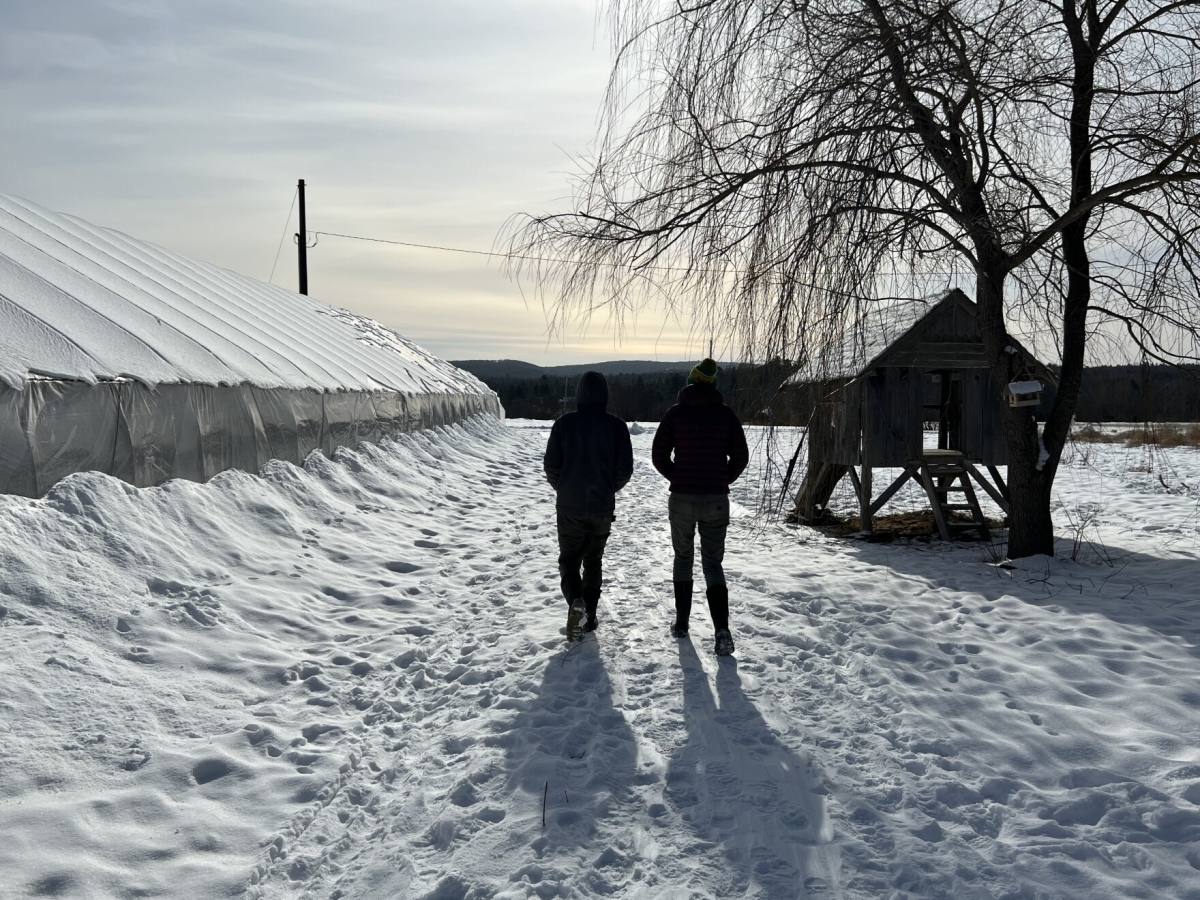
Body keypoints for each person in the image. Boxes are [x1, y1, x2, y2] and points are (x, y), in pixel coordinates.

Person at [651, 358, 749, 656]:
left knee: (683, 557)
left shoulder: (675, 414)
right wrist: (721, 479)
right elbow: (741, 457)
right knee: (712, 564)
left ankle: (681, 624)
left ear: (690, 382)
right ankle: (722, 631)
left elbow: (658, 455)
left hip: (681, 498)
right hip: (715, 500)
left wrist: (678, 477)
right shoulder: (726, 416)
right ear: (714, 384)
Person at [544, 371, 634, 641]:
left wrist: (565, 488)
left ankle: (575, 603)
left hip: (569, 507)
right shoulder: (617, 427)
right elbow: (624, 471)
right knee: (593, 562)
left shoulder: (563, 424)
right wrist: (607, 489)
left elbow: (551, 466)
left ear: (580, 393)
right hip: (601, 508)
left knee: (569, 563)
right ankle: (590, 616)